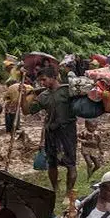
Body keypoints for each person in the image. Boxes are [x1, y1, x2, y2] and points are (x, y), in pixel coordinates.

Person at [26, 66, 78, 196]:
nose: (42, 83)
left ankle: (68, 192)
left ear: (54, 77)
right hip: (51, 133)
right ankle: (55, 189)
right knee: (52, 163)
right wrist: (23, 96)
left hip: (67, 132)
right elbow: (28, 111)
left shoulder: (68, 90)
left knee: (70, 163)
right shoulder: (43, 96)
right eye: (40, 81)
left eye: (44, 79)